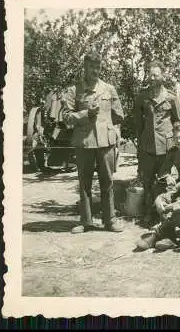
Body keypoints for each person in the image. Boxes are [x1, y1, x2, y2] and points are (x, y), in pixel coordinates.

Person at [61, 50, 124, 233]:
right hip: (85, 142)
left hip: (106, 142)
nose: (95, 71)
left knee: (107, 182)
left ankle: (110, 221)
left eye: (98, 67)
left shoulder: (109, 89)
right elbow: (66, 117)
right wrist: (85, 114)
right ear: (85, 67)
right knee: (84, 182)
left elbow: (118, 114)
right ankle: (86, 222)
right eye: (91, 67)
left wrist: (110, 128)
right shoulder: (74, 90)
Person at [134, 60, 180, 226]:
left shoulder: (171, 98)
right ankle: (149, 213)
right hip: (147, 146)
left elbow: (178, 123)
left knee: (163, 181)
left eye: (155, 74)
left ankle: (162, 213)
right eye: (150, 74)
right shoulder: (142, 97)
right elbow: (138, 125)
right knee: (147, 181)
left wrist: (176, 145)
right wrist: (139, 147)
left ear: (163, 75)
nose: (152, 77)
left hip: (166, 147)